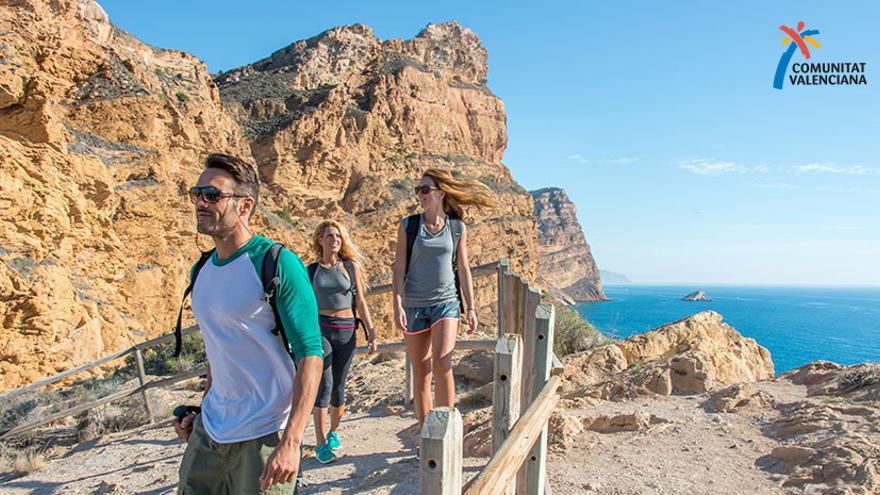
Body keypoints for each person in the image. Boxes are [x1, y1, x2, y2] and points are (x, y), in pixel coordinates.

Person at [172, 153, 324, 494]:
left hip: (265, 435)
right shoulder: (202, 271)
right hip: (209, 432)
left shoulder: (276, 263)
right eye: (197, 194)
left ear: (245, 206)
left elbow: (311, 355)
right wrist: (203, 409)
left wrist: (292, 443)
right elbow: (218, 349)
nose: (201, 202)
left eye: (212, 195)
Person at [391, 169, 495, 430]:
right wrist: (397, 304)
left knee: (442, 361)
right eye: (418, 190)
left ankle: (447, 429)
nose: (420, 195)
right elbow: (398, 267)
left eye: (425, 189)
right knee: (422, 374)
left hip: (446, 302)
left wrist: (470, 307)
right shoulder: (408, 226)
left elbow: (463, 267)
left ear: (441, 193)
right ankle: (428, 433)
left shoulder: (457, 227)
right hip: (414, 305)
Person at [307, 220, 377, 464]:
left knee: (339, 386)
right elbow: (304, 304)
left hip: (347, 330)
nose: (335, 239)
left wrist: (371, 330)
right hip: (321, 330)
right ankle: (320, 442)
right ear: (320, 240)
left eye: (337, 236)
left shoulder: (350, 266)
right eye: (329, 236)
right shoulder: (312, 270)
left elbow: (360, 302)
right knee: (324, 384)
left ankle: (334, 431)